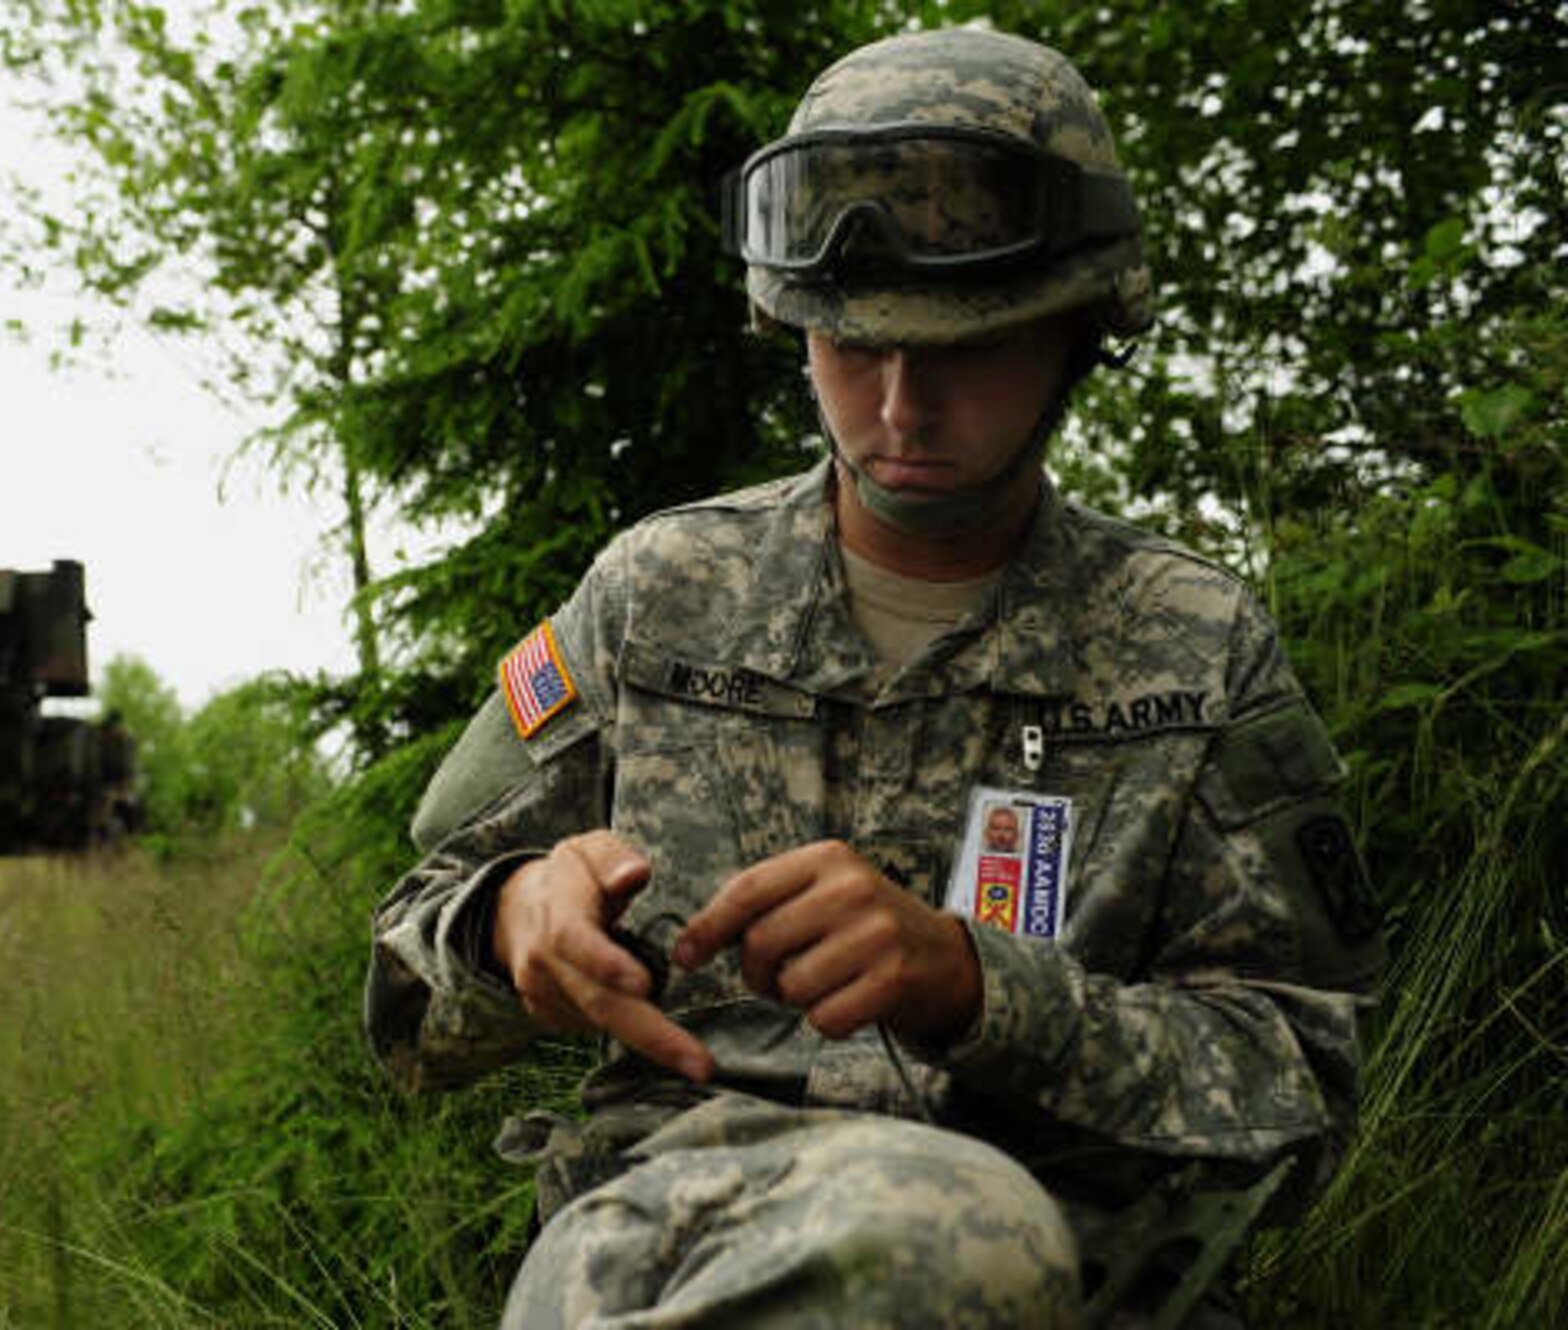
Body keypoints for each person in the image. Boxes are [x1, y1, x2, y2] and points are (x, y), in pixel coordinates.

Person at [366, 26, 1383, 1329]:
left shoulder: (1191, 645)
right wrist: (509, 926)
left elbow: (1301, 1081)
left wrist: (982, 988)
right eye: (853, 348)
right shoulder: (658, 593)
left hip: (1056, 1258)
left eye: (964, 350)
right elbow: (401, 1008)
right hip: (670, 1225)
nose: (900, 405)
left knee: (958, 1241)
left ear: (1079, 331)